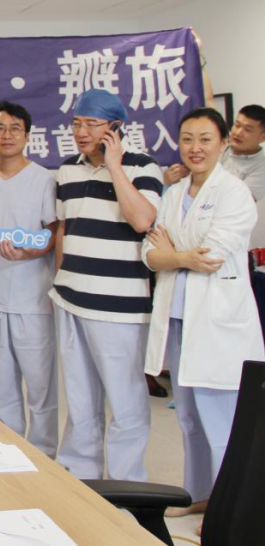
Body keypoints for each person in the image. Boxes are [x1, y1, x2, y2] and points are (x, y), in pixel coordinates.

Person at [142, 107, 264, 517]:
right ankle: (199, 495)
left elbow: (211, 256)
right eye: (188, 139)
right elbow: (149, 253)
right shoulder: (174, 193)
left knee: (221, 422)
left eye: (206, 139)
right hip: (178, 318)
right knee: (190, 417)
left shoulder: (234, 193)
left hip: (216, 323)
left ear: (223, 143)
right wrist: (180, 255)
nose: (195, 147)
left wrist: (171, 252)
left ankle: (227, 510)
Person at [51, 89, 162, 482]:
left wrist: (115, 167)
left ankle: (128, 485)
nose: (81, 132)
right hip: (70, 299)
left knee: (125, 399)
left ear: (115, 128)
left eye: (92, 124)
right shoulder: (68, 169)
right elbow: (65, 228)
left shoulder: (144, 167)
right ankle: (80, 477)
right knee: (80, 399)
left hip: (119, 306)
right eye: (76, 123)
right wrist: (60, 281)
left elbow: (142, 220)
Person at [0, 102, 59, 457]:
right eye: (0, 128)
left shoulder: (44, 180)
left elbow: (53, 232)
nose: (7, 135)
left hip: (32, 299)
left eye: (15, 128)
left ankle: (44, 455)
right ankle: (6, 453)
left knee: (41, 387)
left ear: (27, 135)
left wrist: (28, 253)